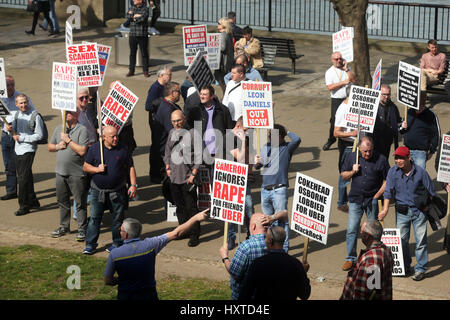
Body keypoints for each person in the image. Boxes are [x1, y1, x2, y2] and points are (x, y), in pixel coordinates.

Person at [104, 210, 209, 300]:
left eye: (121, 229)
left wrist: (120, 280)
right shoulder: (151, 245)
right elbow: (176, 233)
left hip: (126, 296)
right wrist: (195, 218)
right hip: (149, 295)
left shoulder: (115, 254)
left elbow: (108, 280)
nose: (119, 231)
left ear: (125, 234)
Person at [378, 146, 436, 281]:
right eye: (396, 158)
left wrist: (427, 207)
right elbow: (388, 192)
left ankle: (420, 269)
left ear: (408, 157)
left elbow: (431, 192)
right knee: (402, 241)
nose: (398, 161)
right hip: (402, 212)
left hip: (419, 212)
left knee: (421, 241)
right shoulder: (393, 172)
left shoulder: (421, 172)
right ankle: (405, 266)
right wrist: (385, 210)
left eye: (401, 158)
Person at [82, 126, 138, 255]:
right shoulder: (95, 148)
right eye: (112, 136)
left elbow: (130, 167)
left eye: (116, 135)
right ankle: (90, 244)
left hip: (117, 191)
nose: (115, 138)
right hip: (97, 191)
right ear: (104, 137)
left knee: (117, 219)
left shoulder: (123, 149)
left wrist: (133, 185)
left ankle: (117, 243)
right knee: (95, 218)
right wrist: (97, 169)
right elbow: (85, 166)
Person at [340, 136, 390, 271]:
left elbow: (387, 180)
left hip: (372, 200)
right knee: (351, 229)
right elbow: (343, 175)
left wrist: (377, 195)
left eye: (370, 150)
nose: (368, 154)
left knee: (373, 232)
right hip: (356, 199)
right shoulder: (352, 157)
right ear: (359, 148)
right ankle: (350, 258)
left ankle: (371, 256)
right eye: (365, 151)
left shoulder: (381, 159)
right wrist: (353, 171)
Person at [255, 124, 301, 252]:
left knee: (282, 220)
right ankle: (271, 245)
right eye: (269, 135)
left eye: (272, 135)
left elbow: (297, 139)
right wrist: (258, 163)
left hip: (279, 189)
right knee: (267, 221)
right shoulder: (266, 147)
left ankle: (284, 249)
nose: (269, 137)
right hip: (265, 189)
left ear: (281, 137)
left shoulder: (287, 148)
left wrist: (287, 130)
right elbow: (258, 166)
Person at [48, 110, 89, 241]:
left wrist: (68, 140)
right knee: (62, 201)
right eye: (65, 112)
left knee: (80, 203)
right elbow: (49, 147)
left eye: (69, 112)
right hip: (60, 172)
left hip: (76, 173)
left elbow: (82, 151)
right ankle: (64, 226)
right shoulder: (59, 128)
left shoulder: (82, 130)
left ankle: (82, 229)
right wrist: (57, 146)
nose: (66, 115)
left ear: (76, 115)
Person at [239, 226, 311, 300]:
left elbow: (245, 294)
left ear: (269, 241)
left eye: (266, 238)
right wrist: (304, 273)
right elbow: (305, 295)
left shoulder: (258, 264)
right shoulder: (296, 264)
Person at [164, 110, 202, 247]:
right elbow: (167, 151)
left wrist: (193, 174)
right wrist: (167, 166)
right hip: (174, 178)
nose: (176, 123)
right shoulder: (171, 133)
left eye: (178, 120)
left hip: (187, 178)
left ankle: (194, 234)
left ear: (184, 119)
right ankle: (183, 230)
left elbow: (199, 155)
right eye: (174, 121)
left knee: (191, 208)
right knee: (179, 207)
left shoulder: (192, 134)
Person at [5, 94, 43, 216]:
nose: (23, 105)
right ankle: (33, 201)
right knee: (26, 175)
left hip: (29, 149)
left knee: (22, 178)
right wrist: (8, 129)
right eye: (20, 103)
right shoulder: (15, 114)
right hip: (18, 149)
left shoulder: (35, 115)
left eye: (25, 102)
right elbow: (11, 130)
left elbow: (39, 135)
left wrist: (22, 137)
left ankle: (23, 205)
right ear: (16, 104)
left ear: (28, 102)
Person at [0, 75, 35, 201]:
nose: (9, 87)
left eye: (11, 84)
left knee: (23, 167)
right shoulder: (1, 99)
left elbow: (33, 113)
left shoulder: (22, 97)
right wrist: (4, 125)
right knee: (9, 165)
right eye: (7, 85)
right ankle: (11, 191)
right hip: (6, 135)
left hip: (19, 136)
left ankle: (26, 194)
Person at [340, 220, 394, 300]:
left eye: (361, 232)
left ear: (367, 236)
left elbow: (364, 293)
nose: (360, 234)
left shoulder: (370, 260)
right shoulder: (386, 250)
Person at [219, 212, 266, 300]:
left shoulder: (246, 247)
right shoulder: (275, 244)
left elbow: (234, 273)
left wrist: (224, 257)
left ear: (253, 226)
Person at [226, 116, 255, 249]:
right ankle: (231, 237)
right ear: (238, 127)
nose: (247, 132)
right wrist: (243, 140)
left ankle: (251, 234)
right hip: (231, 179)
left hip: (243, 178)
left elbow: (248, 157)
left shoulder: (245, 137)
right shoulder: (229, 138)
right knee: (232, 210)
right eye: (245, 129)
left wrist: (250, 172)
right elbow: (241, 158)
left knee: (249, 207)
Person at [186, 85, 233, 165]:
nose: (202, 96)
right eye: (201, 94)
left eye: (205, 94)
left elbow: (229, 129)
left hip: (220, 151)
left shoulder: (223, 110)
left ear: (212, 96)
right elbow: (190, 128)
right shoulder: (195, 111)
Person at [323, 51, 355, 151]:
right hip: (336, 98)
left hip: (348, 98)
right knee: (334, 120)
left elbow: (353, 80)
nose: (339, 61)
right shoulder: (329, 72)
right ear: (332, 60)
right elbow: (330, 87)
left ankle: (349, 137)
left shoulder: (346, 69)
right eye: (336, 59)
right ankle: (331, 139)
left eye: (340, 58)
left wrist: (346, 69)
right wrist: (343, 82)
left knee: (349, 118)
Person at [145, 66, 172, 183]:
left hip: (161, 120)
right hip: (156, 122)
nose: (171, 77)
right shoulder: (155, 88)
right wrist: (163, 100)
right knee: (157, 147)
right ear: (162, 75)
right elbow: (148, 106)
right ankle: (155, 174)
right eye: (169, 75)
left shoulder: (164, 87)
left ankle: (160, 171)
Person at [400, 93, 440, 170]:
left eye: (421, 106)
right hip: (407, 150)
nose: (418, 108)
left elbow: (436, 134)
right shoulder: (409, 112)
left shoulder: (431, 115)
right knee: (406, 175)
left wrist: (432, 151)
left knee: (419, 176)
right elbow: (401, 131)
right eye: (417, 106)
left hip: (421, 153)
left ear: (424, 104)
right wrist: (402, 127)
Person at [333, 86, 357, 212]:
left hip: (357, 144)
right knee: (345, 174)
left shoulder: (354, 106)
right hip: (348, 146)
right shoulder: (342, 109)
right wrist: (352, 133)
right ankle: (342, 202)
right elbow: (336, 133)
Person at [370, 84, 401, 158]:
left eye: (388, 94)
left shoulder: (393, 107)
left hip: (386, 141)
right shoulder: (372, 106)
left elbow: (397, 122)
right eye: (384, 95)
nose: (386, 97)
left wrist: (402, 125)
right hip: (373, 140)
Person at [154, 82, 182, 164]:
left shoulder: (168, 105)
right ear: (172, 93)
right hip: (167, 152)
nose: (180, 93)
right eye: (178, 91)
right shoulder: (168, 110)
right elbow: (173, 132)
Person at [126, 0, 150, 78]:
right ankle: (131, 71)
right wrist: (135, 16)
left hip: (142, 35)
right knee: (132, 53)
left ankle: (145, 71)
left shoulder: (145, 9)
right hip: (133, 34)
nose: (133, 0)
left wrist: (134, 17)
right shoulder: (132, 7)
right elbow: (127, 16)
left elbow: (142, 19)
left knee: (144, 54)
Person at [215, 17, 234, 94]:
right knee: (223, 78)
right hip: (229, 60)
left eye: (219, 23)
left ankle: (226, 95)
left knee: (219, 78)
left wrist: (214, 46)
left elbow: (223, 48)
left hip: (223, 62)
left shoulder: (223, 34)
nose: (217, 24)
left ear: (223, 25)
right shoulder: (229, 33)